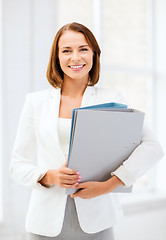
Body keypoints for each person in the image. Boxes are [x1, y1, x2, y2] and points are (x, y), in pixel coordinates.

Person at [9, 22, 164, 240]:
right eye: (66, 51)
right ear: (57, 57)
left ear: (94, 54)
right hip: (44, 223)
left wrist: (110, 185)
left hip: (97, 221)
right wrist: (49, 176)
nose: (76, 57)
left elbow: (152, 147)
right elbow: (17, 165)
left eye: (83, 49)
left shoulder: (111, 99)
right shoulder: (36, 102)